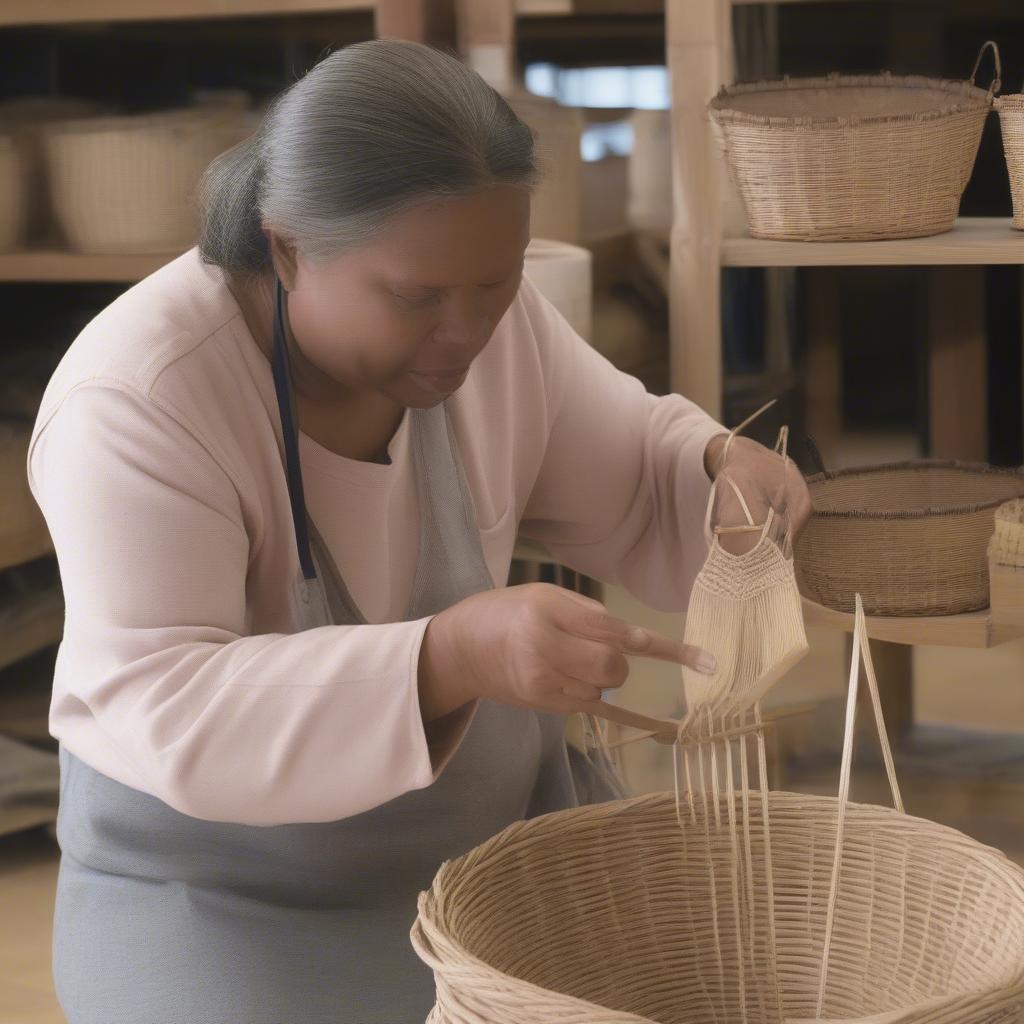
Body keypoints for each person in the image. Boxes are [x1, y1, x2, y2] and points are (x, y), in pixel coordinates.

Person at [27, 39, 810, 1023]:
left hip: (491, 858)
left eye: (496, 282)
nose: (467, 331)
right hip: (223, 894)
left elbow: (631, 457)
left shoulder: (490, 319)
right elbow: (167, 700)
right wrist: (450, 655)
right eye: (416, 296)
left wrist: (718, 474)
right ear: (286, 246)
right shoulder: (140, 396)